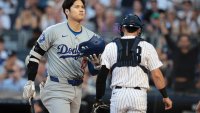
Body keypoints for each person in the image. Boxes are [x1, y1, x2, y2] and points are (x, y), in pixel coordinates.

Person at [22, 0, 102, 113]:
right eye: (77, 7)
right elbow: (34, 56)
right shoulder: (53, 31)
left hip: (78, 88)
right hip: (56, 86)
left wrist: (97, 65)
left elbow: (93, 71)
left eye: (83, 7)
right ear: (67, 11)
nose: (81, 9)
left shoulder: (90, 36)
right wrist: (30, 80)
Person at [94, 14, 172, 113]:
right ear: (139, 30)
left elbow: (102, 76)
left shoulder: (110, 46)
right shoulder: (147, 46)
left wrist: (98, 98)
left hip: (118, 95)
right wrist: (165, 96)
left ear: (122, 28)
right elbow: (157, 75)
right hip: (138, 95)